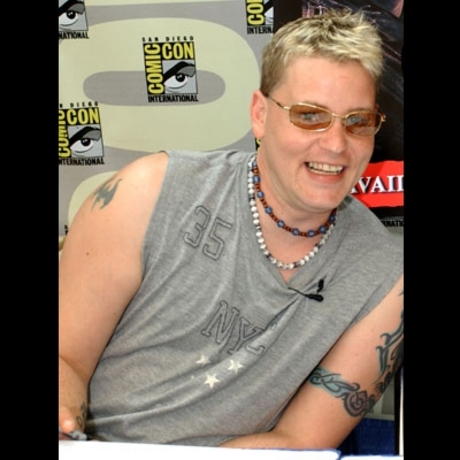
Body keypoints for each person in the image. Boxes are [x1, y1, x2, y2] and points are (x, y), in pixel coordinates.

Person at [59, 8, 404, 450]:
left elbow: (299, 440)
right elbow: (66, 357)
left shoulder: (386, 277)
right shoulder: (147, 192)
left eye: (357, 121)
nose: (336, 144)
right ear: (260, 114)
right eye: (309, 115)